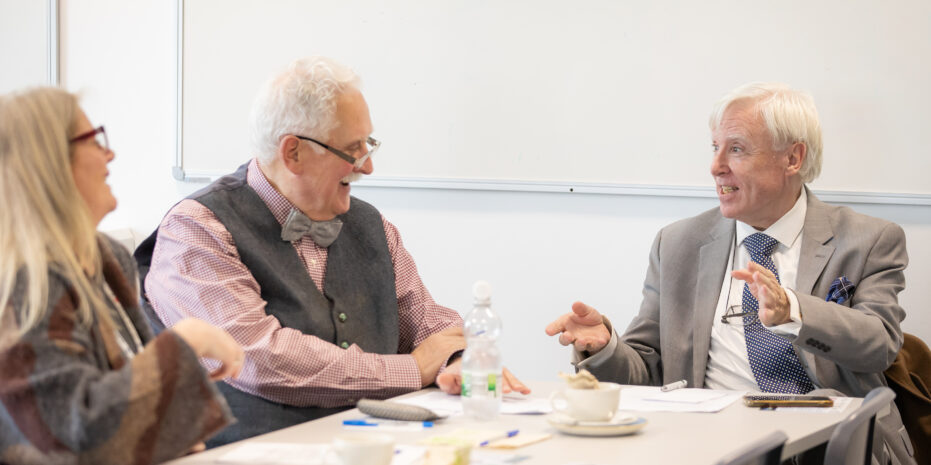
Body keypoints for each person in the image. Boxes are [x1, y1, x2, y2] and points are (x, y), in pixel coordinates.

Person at [135, 56, 529, 446]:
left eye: (369, 144)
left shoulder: (372, 225)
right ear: (293, 153)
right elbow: (257, 357)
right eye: (353, 149)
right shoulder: (197, 229)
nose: (369, 166)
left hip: (373, 449)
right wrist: (412, 369)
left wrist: (458, 361)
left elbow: (427, 322)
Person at [546, 82, 915, 465]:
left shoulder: (867, 239)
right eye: (714, 147)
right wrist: (603, 347)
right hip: (714, 447)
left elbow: (880, 345)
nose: (715, 166)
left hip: (829, 445)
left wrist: (793, 311)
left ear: (793, 158)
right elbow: (646, 370)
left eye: (736, 149)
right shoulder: (677, 244)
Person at [0, 87, 244, 465]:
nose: (109, 154)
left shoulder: (107, 257)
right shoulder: (25, 282)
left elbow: (137, 405)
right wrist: (185, 342)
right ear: (49, 162)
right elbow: (73, 438)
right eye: (94, 140)